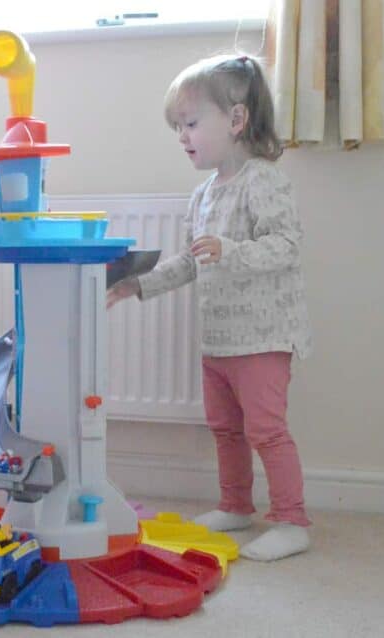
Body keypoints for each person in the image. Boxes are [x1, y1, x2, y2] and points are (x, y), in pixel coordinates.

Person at [107, 54, 313, 561]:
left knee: (266, 429)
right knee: (224, 428)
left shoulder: (262, 180)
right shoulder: (201, 195)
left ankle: (292, 520)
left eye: (192, 123)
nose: (183, 136)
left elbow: (286, 244)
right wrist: (140, 285)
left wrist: (232, 250)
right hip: (218, 340)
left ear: (237, 120)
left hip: (263, 337)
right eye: (178, 126)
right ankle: (235, 505)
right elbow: (189, 262)